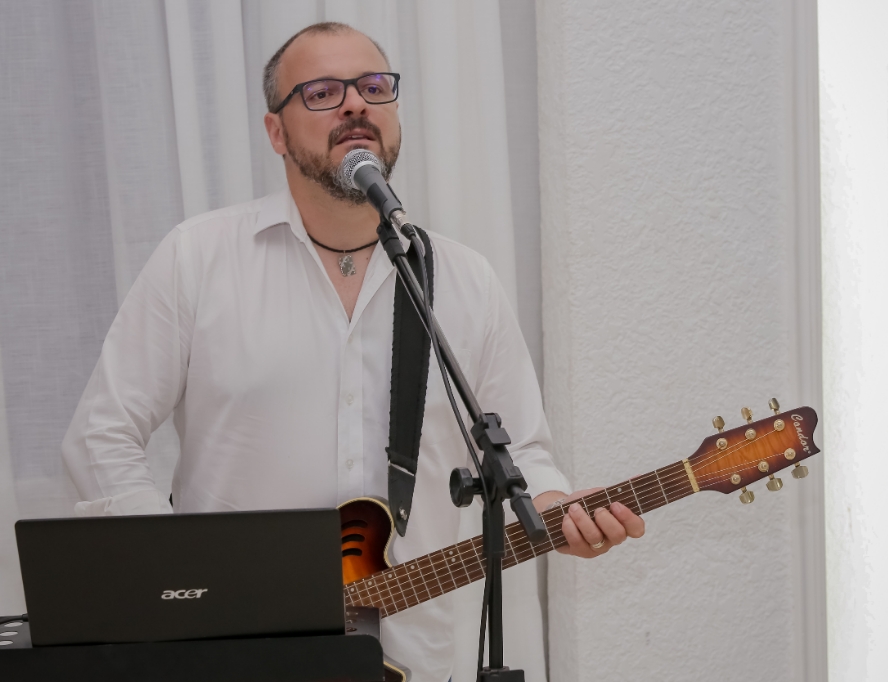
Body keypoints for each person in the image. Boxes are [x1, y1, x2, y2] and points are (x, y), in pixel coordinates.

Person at [61, 21, 644, 681]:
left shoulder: (463, 278)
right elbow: (100, 435)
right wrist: (183, 578)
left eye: (372, 87)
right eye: (321, 92)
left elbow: (519, 448)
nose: (355, 105)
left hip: (413, 656)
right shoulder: (197, 259)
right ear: (276, 132)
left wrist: (557, 507)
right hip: (228, 657)